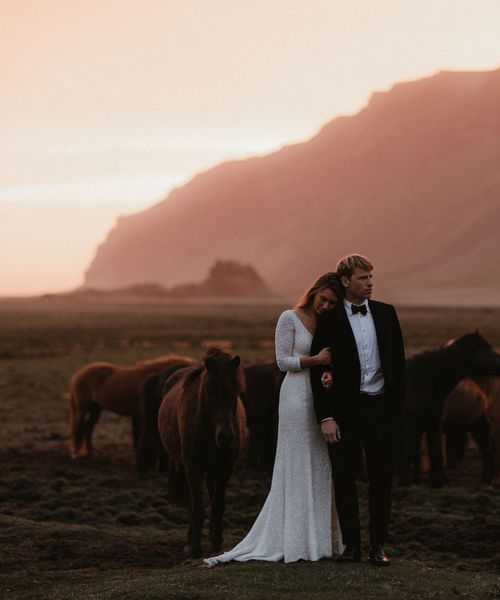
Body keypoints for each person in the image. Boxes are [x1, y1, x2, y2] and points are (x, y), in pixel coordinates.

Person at [203, 273, 344, 566]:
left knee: (320, 464)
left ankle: (320, 539)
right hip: (295, 396)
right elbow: (282, 361)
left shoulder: (328, 322)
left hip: (319, 395)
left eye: (332, 303)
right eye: (323, 299)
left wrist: (329, 373)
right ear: (314, 292)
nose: (326, 306)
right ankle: (292, 538)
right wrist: (316, 361)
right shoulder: (289, 318)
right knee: (295, 462)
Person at [310, 254, 405, 566]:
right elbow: (318, 371)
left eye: (371, 278)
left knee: (381, 480)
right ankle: (352, 546)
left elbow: (398, 366)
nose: (369, 284)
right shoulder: (331, 320)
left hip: (381, 410)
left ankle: (377, 547)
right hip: (345, 413)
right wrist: (326, 416)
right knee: (345, 478)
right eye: (363, 278)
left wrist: (395, 410)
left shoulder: (387, 314)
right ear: (346, 281)